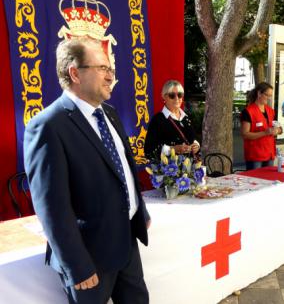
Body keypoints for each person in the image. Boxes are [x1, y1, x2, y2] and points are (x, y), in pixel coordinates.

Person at [24, 37, 151, 304]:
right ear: (75, 73)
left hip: (126, 243)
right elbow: (51, 208)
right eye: (103, 68)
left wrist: (140, 209)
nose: (110, 77)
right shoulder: (48, 126)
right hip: (88, 257)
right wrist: (77, 266)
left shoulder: (110, 114)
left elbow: (123, 168)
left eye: (111, 70)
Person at [144, 80, 200, 160]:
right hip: (169, 171)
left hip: (189, 169)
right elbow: (148, 151)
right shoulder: (158, 120)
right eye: (172, 95)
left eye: (180, 95)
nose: (177, 98)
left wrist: (196, 146)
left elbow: (194, 138)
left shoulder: (186, 118)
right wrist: (173, 149)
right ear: (164, 96)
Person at [240, 82, 282, 170]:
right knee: (255, 181)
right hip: (255, 156)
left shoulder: (270, 111)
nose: (269, 98)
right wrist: (264, 132)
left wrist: (277, 130)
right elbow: (245, 134)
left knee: (268, 181)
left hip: (269, 153)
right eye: (267, 95)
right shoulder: (248, 112)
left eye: (270, 95)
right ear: (259, 93)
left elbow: (279, 128)